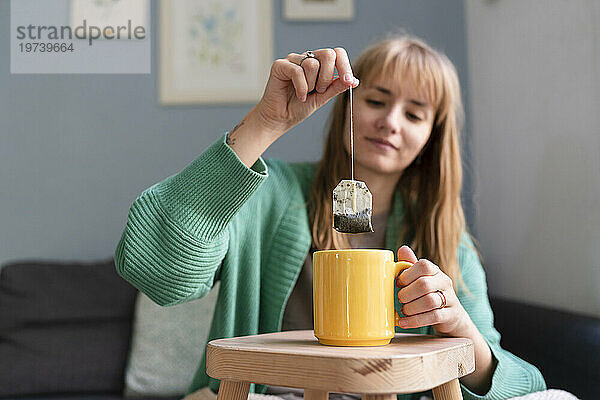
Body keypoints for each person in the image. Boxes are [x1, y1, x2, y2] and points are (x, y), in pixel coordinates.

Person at [115, 35, 546, 400]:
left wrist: (457, 326)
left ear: (433, 137)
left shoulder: (445, 238)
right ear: (347, 107)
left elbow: (528, 386)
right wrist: (265, 123)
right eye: (376, 100)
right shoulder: (272, 195)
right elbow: (155, 271)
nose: (390, 122)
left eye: (414, 113)